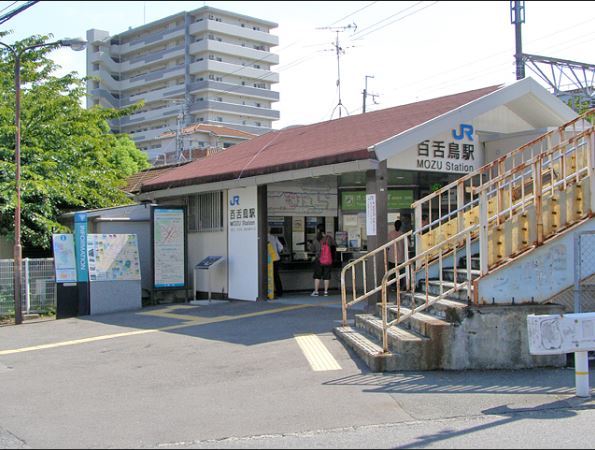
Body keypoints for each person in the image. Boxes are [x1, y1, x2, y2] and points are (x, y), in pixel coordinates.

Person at [308, 224, 335, 297]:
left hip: (318, 259)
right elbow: (334, 245)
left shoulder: (316, 238)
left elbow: (312, 249)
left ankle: (316, 292)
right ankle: (326, 292)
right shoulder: (329, 238)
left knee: (317, 276)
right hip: (328, 259)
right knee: (327, 276)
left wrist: (309, 245)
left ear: (318, 230)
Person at [387, 220, 406, 290]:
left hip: (391, 257)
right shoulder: (402, 234)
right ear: (401, 226)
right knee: (400, 273)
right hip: (400, 258)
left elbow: (387, 245)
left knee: (392, 273)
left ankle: (393, 286)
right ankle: (400, 286)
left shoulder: (390, 233)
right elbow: (408, 244)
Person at [268, 230, 284, 298]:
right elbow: (281, 248)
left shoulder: (260, 237)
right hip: (275, 259)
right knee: (276, 276)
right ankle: (279, 292)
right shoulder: (274, 237)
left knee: (267, 276)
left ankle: (267, 292)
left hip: (266, 260)